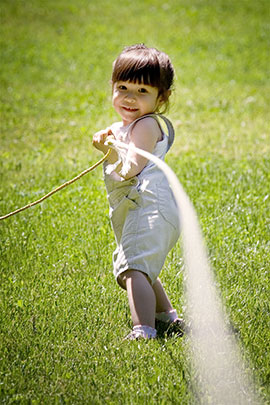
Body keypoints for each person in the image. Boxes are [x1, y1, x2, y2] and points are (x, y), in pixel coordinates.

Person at [92, 44, 184, 340]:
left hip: (149, 208)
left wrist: (107, 150)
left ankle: (143, 329)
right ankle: (167, 317)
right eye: (123, 87)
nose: (130, 98)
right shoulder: (127, 125)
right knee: (137, 267)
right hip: (136, 207)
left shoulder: (145, 126)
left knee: (133, 269)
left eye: (143, 91)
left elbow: (130, 168)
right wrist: (109, 140)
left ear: (162, 97)